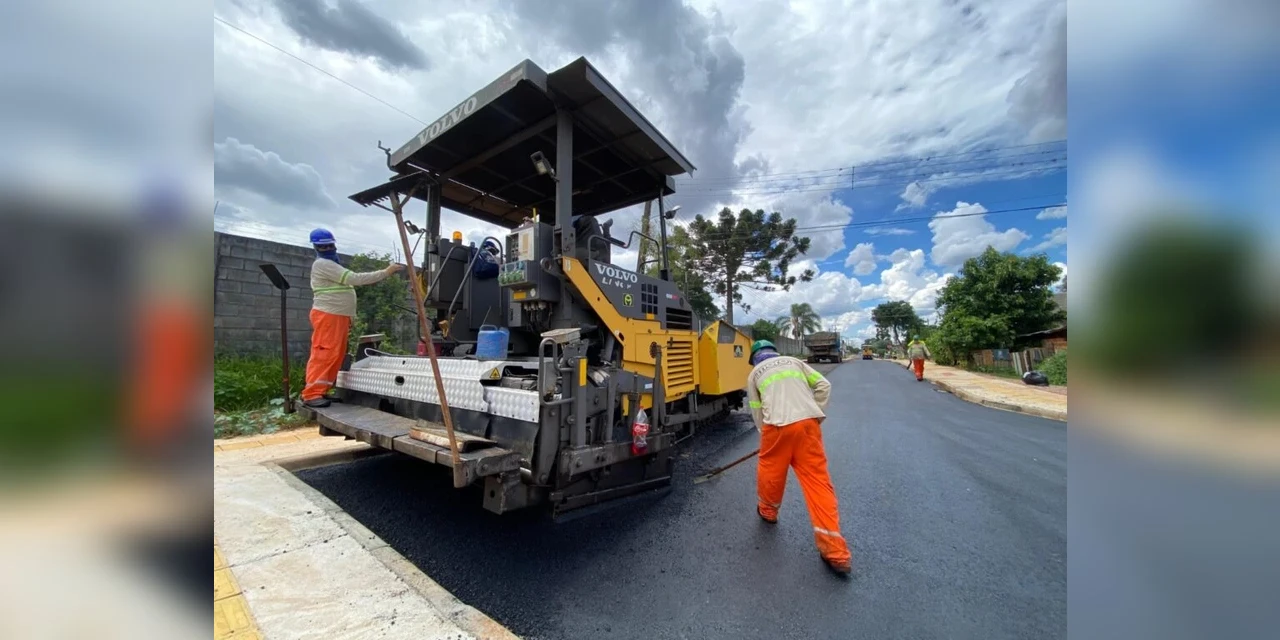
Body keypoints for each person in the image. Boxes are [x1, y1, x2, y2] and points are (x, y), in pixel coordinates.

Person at [745, 340, 853, 575]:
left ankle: (768, 512)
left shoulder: (755, 373)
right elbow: (824, 385)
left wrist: (767, 435)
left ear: (755, 358)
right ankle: (835, 553)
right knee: (817, 482)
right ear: (774, 352)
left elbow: (756, 408)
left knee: (770, 470)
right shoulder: (795, 362)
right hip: (808, 426)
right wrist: (816, 415)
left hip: (777, 427)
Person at [302, 228, 404, 408]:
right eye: (324, 246)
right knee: (324, 353)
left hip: (337, 316)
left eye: (330, 245)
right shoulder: (323, 265)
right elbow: (355, 279)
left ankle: (323, 390)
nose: (328, 249)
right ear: (317, 248)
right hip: (329, 315)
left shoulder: (330, 264)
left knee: (335, 354)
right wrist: (386, 272)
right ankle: (311, 394)